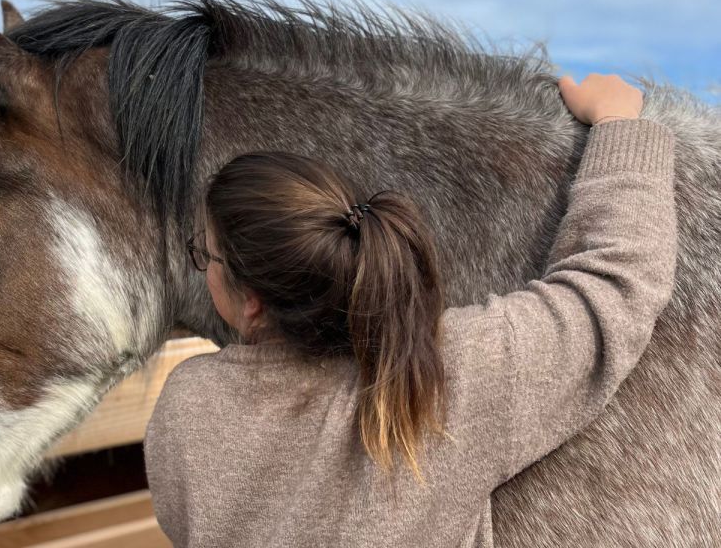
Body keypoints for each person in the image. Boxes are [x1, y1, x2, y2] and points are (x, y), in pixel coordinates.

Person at [144, 74, 678, 547]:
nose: (203, 265)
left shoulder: (188, 407)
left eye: (205, 255)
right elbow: (612, 285)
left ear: (252, 302)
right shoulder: (449, 375)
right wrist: (616, 122)